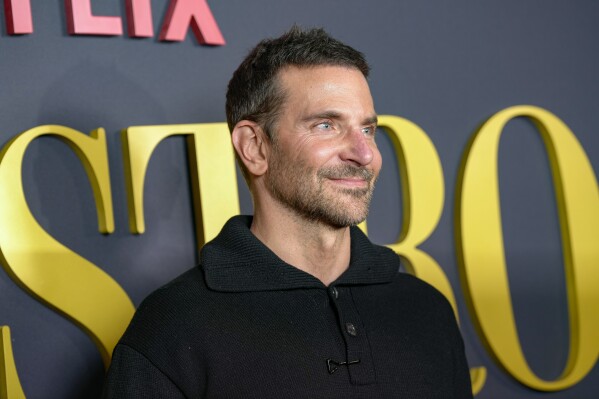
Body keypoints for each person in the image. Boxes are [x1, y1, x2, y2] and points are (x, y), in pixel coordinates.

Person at [102, 27, 473, 398]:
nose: (364, 154)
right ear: (255, 147)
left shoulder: (427, 311)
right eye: (326, 125)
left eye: (368, 129)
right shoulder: (171, 328)